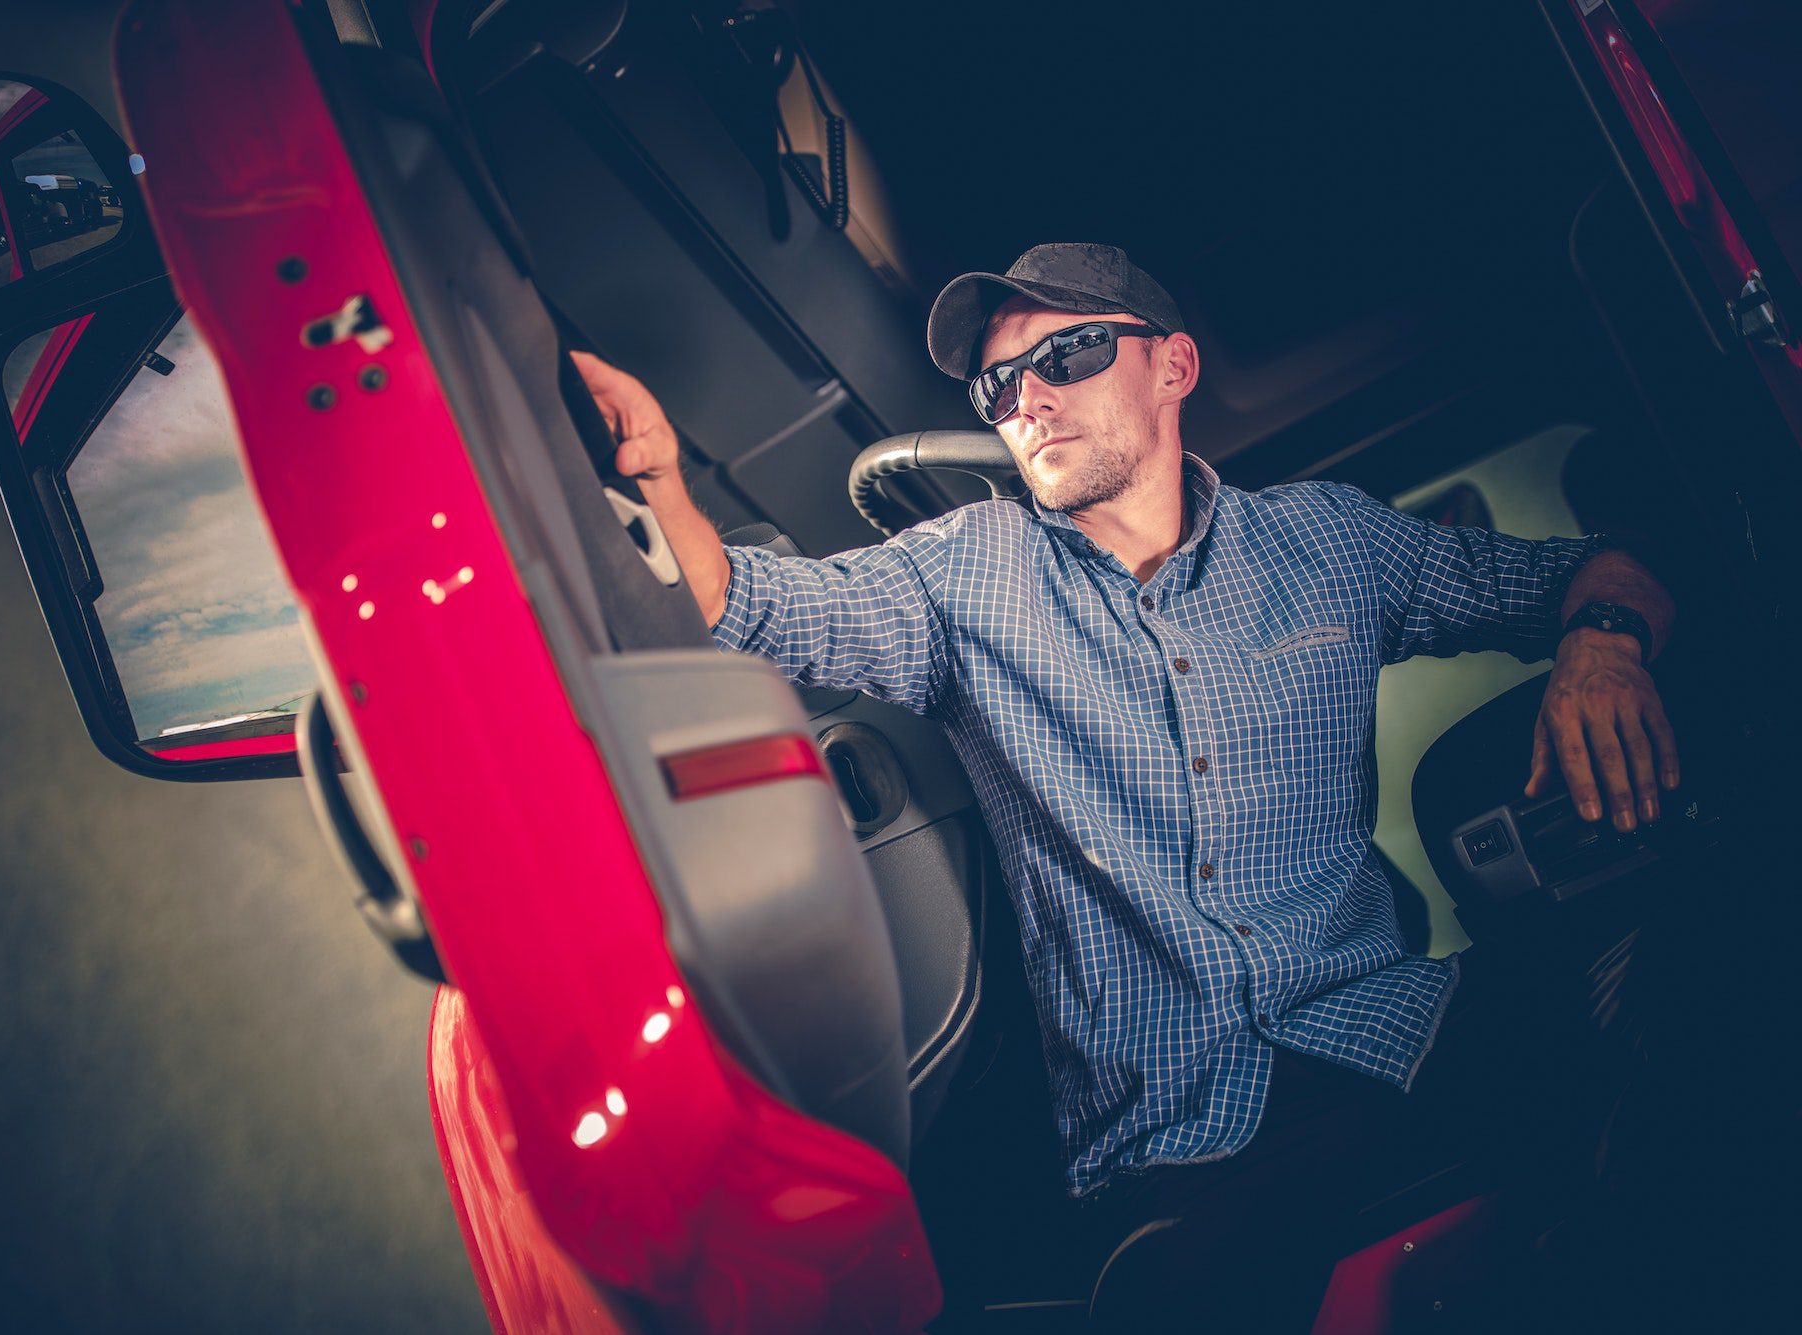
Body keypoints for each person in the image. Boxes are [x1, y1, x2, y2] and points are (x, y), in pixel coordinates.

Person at [573, 243, 1683, 1327]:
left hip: (1398, 1031)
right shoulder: (966, 569)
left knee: (1684, 1029)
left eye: (1069, 355)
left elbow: (1594, 569)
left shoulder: (1328, 541)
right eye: (998, 385)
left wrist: (1602, 644)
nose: (1026, 401)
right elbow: (747, 606)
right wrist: (659, 480)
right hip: (1177, 1142)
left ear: (1172, 367)